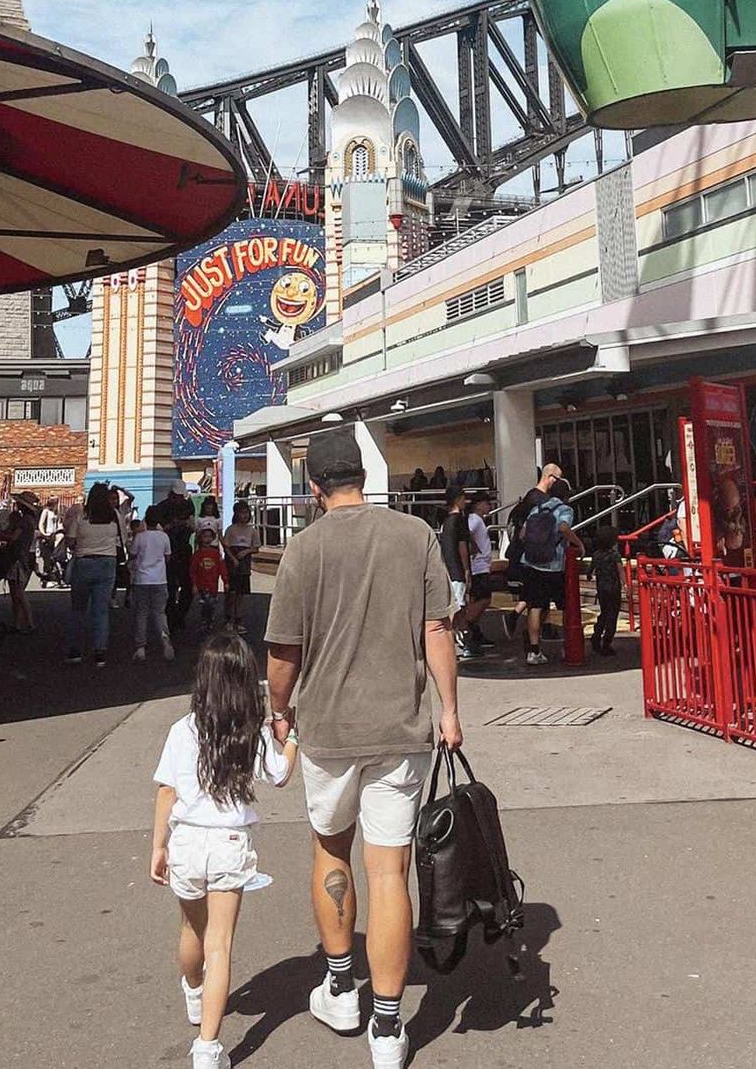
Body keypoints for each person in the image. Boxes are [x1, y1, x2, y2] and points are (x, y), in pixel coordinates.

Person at [265, 427, 460, 1069]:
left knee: (330, 848)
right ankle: (386, 1027)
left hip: (327, 732)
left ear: (315, 487)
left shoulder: (302, 550)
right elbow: (438, 627)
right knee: (389, 870)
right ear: (363, 477)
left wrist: (278, 712)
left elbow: (283, 653)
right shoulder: (416, 536)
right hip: (401, 729)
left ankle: (341, 987)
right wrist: (449, 710)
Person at [150, 634, 298, 1069]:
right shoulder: (250, 731)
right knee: (221, 945)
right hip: (230, 843)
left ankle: (194, 991)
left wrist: (158, 846)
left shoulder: (182, 729)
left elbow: (166, 793)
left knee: (192, 930)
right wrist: (292, 739)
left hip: (187, 842)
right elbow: (280, 774)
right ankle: (208, 1048)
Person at [519, 477, 585, 666]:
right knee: (565, 606)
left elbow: (523, 534)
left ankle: (534, 651)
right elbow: (563, 527)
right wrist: (578, 543)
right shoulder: (565, 510)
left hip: (531, 563)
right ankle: (568, 645)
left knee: (535, 607)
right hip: (554, 564)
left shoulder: (537, 508)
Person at [504, 463, 563, 641]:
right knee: (539, 600)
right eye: (557, 479)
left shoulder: (529, 497)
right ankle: (533, 635)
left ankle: (524, 625)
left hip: (525, 555)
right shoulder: (542, 501)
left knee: (536, 597)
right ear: (550, 477)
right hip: (536, 556)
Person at [66, 483, 122, 667]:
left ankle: (75, 650)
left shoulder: (81, 515)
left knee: (78, 608)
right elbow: (123, 539)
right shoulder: (115, 516)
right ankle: (100, 652)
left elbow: (71, 541)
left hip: (84, 562)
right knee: (101, 609)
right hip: (107, 562)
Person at [131, 506, 174, 663]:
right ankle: (164, 637)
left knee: (142, 613)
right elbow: (168, 557)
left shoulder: (140, 537)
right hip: (160, 579)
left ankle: (140, 647)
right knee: (159, 612)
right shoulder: (164, 537)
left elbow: (133, 554)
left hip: (142, 579)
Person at [0, 491, 39, 635]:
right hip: (23, 555)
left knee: (18, 592)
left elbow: (14, 538)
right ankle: (18, 623)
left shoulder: (24, 521)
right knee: (16, 593)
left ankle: (29, 622)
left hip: (18, 557)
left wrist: (1, 533)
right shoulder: (30, 521)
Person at [155, 481, 197, 624]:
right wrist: (173, 525)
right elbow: (160, 528)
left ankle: (180, 615)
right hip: (169, 550)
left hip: (184, 548)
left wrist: (186, 524)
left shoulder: (188, 505)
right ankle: (172, 616)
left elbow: (192, 525)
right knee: (170, 586)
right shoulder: (162, 507)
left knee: (188, 586)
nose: (178, 499)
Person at [439, 484, 471, 659]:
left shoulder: (445, 521)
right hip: (457, 570)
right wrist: (466, 569)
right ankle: (448, 643)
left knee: (460, 608)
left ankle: (465, 641)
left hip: (447, 569)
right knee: (457, 608)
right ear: (458, 499)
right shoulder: (459, 520)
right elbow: (463, 547)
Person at [462, 490, 495, 658]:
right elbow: (466, 535)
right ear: (479, 505)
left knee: (478, 598)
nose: (489, 506)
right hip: (478, 567)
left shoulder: (478, 520)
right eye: (487, 503)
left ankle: (475, 631)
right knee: (484, 598)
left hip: (481, 565)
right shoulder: (475, 520)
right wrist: (474, 549)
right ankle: (466, 625)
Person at [222, 500, 260, 635]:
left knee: (241, 594)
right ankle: (228, 619)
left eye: (246, 512)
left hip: (244, 564)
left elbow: (256, 548)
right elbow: (226, 546)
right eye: (241, 513)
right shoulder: (231, 530)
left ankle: (238, 620)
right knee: (230, 593)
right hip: (232, 563)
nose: (244, 515)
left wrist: (246, 551)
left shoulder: (252, 531)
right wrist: (232, 557)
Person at [589, 525, 625, 657]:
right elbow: (620, 570)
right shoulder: (615, 555)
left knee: (604, 613)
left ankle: (596, 635)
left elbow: (590, 571)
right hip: (614, 588)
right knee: (612, 615)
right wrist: (626, 585)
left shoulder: (596, 555)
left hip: (601, 588)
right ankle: (607, 642)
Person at [191, 528, 228, 633]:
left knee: (211, 604)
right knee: (206, 603)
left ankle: (209, 621)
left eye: (209, 537)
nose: (207, 539)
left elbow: (222, 568)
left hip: (213, 584)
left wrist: (226, 581)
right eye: (205, 537)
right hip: (202, 584)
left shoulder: (216, 553)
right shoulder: (198, 554)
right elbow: (193, 571)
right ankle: (205, 621)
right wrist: (194, 585)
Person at [37, 497, 61, 586]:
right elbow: (41, 524)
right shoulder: (45, 511)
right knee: (46, 559)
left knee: (53, 558)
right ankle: (44, 580)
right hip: (47, 535)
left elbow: (58, 523)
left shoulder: (56, 512)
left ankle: (52, 577)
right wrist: (44, 534)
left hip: (54, 535)